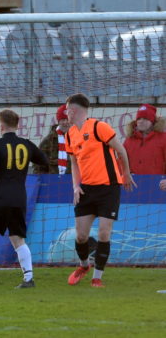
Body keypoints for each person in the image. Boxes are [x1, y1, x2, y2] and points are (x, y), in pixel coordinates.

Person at [64, 93, 136, 288]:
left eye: (66, 109)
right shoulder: (69, 134)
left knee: (104, 233)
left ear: (73, 110)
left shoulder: (98, 127)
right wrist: (75, 186)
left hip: (108, 189)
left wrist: (126, 174)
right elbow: (74, 163)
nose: (65, 112)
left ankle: (97, 278)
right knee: (81, 237)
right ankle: (84, 266)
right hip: (86, 190)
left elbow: (121, 150)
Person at [0, 109, 48, 289]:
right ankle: (28, 278)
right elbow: (43, 159)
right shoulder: (26, 144)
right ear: (17, 125)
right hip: (19, 197)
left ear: (2, 125)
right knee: (17, 238)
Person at [123, 104, 166, 174]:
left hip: (158, 183)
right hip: (134, 182)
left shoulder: (163, 138)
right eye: (139, 119)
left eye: (145, 118)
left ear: (153, 121)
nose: (141, 121)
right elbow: (121, 162)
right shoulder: (129, 141)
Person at [33, 104, 71, 175]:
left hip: (77, 182)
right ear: (58, 121)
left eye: (68, 119)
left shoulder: (79, 139)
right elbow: (38, 166)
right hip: (53, 182)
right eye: (62, 119)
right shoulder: (48, 141)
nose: (65, 122)